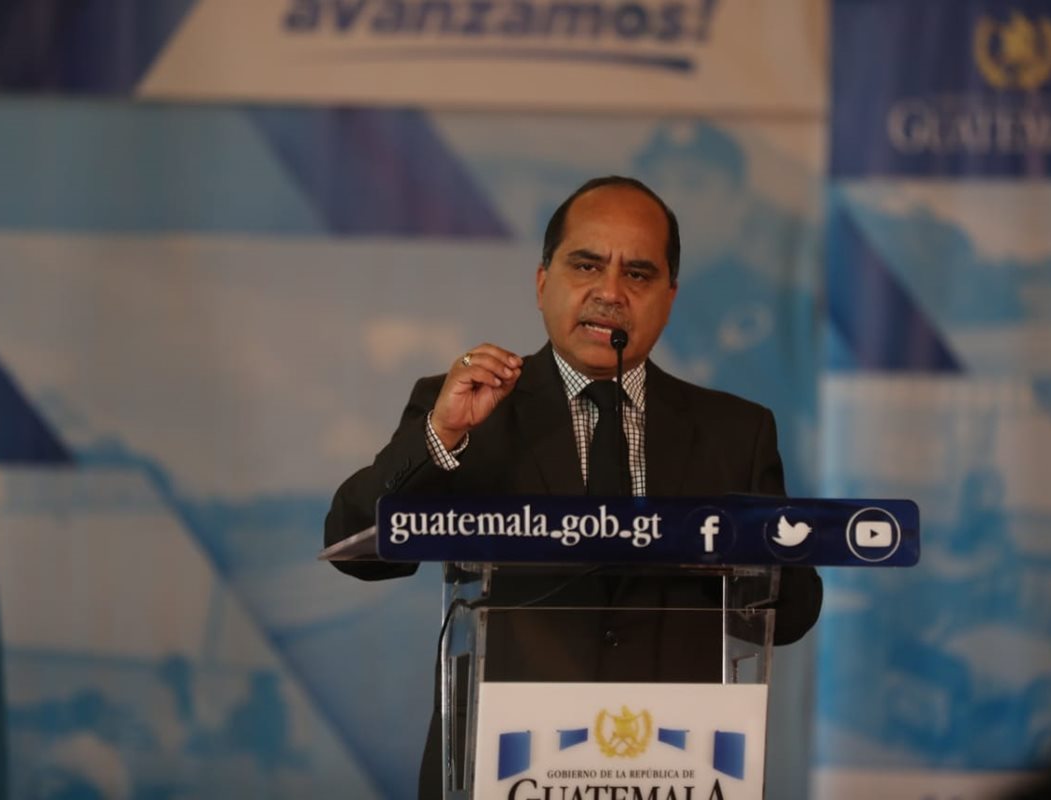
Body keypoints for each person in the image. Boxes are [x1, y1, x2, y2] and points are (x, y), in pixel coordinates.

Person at [324, 175, 822, 798]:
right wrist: (440, 437)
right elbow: (354, 544)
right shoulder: (467, 409)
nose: (609, 292)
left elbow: (794, 609)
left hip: (674, 770)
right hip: (510, 770)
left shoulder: (735, 431)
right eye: (586, 265)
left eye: (638, 275)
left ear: (669, 296)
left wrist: (744, 547)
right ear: (542, 283)